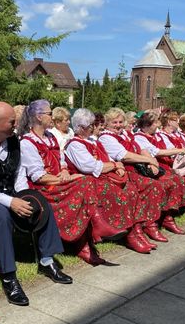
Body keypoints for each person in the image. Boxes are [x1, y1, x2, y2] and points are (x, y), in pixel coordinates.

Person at [0, 101, 73, 307]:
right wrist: (11, 202)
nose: (16, 124)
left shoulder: (14, 141)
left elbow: (19, 174)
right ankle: (8, 275)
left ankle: (46, 261)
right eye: (11, 121)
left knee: (40, 203)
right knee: (1, 216)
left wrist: (25, 197)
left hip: (11, 192)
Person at [18, 100, 127, 262]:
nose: (52, 116)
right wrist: (64, 179)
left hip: (58, 182)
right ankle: (90, 235)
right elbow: (38, 177)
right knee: (86, 182)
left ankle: (86, 241)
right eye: (49, 113)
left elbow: (61, 161)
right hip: (44, 189)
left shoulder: (50, 137)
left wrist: (64, 171)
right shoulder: (27, 142)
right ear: (39, 117)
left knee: (88, 182)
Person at [64, 108, 158, 255]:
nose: (93, 128)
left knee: (131, 190)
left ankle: (137, 231)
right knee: (122, 194)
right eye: (90, 126)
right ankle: (129, 235)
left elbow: (105, 158)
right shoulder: (75, 144)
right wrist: (114, 165)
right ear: (81, 128)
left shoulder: (90, 141)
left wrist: (115, 166)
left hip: (102, 176)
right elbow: (90, 166)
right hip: (89, 181)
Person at [98, 107, 181, 242]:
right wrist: (149, 160)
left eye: (120, 122)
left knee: (168, 181)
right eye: (114, 122)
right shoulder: (106, 137)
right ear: (107, 123)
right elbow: (124, 156)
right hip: (124, 171)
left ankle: (165, 217)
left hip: (136, 168)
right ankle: (147, 225)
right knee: (153, 186)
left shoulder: (125, 134)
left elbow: (141, 149)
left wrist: (152, 162)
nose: (118, 125)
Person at [138, 111, 185, 221]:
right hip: (158, 166)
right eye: (155, 122)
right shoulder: (140, 137)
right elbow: (158, 152)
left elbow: (171, 149)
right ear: (147, 124)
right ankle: (168, 217)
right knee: (176, 180)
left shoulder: (156, 135)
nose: (158, 124)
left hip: (167, 163)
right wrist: (182, 150)